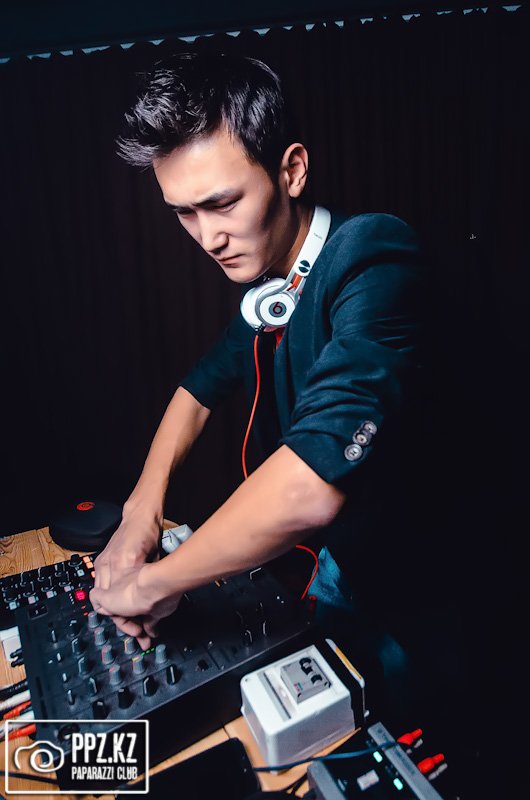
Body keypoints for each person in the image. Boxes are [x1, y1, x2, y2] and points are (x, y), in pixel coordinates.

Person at [89, 53, 425, 691]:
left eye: (221, 203)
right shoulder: (272, 291)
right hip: (340, 564)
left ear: (291, 171)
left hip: (420, 589)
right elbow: (197, 391)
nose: (207, 237)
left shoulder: (373, 254)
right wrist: (140, 512)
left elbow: (310, 486)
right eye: (184, 212)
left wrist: (152, 584)